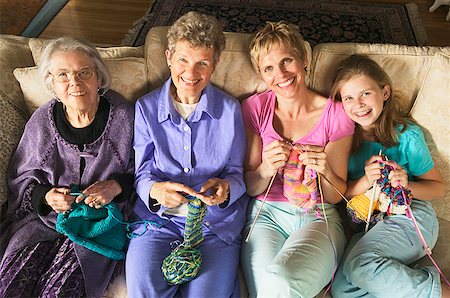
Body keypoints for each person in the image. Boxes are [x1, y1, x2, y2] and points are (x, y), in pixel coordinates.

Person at [0, 37, 135, 297]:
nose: (74, 83)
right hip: (43, 222)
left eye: (84, 72)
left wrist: (115, 187)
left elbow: (143, 170)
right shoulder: (41, 122)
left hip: (97, 224)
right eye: (63, 75)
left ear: (98, 76)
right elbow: (20, 177)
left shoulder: (123, 116)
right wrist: (46, 196)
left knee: (57, 292)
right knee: (10, 286)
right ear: (51, 82)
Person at [126, 11, 247, 297]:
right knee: (144, 292)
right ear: (168, 57)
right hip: (158, 224)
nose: (190, 74)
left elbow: (237, 174)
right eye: (182, 60)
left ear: (215, 64)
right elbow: (142, 173)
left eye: (202, 63)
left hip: (214, 227)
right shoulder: (145, 108)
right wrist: (156, 190)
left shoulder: (230, 111)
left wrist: (226, 189)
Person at [240, 21, 354, 297]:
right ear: (261, 74)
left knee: (279, 282)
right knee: (271, 288)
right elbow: (250, 186)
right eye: (268, 68)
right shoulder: (255, 109)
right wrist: (267, 168)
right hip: (265, 215)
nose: (280, 74)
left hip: (318, 216)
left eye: (287, 60)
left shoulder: (336, 115)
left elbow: (336, 195)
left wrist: (324, 169)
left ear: (304, 59)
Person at [330, 54, 448, 298]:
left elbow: (438, 189)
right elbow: (339, 193)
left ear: (384, 92)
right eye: (349, 98)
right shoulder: (343, 139)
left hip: (412, 215)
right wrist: (365, 180)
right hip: (371, 222)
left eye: (365, 93)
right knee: (343, 290)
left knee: (359, 265)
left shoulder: (406, 136)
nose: (359, 104)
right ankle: (400, 279)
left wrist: (407, 184)